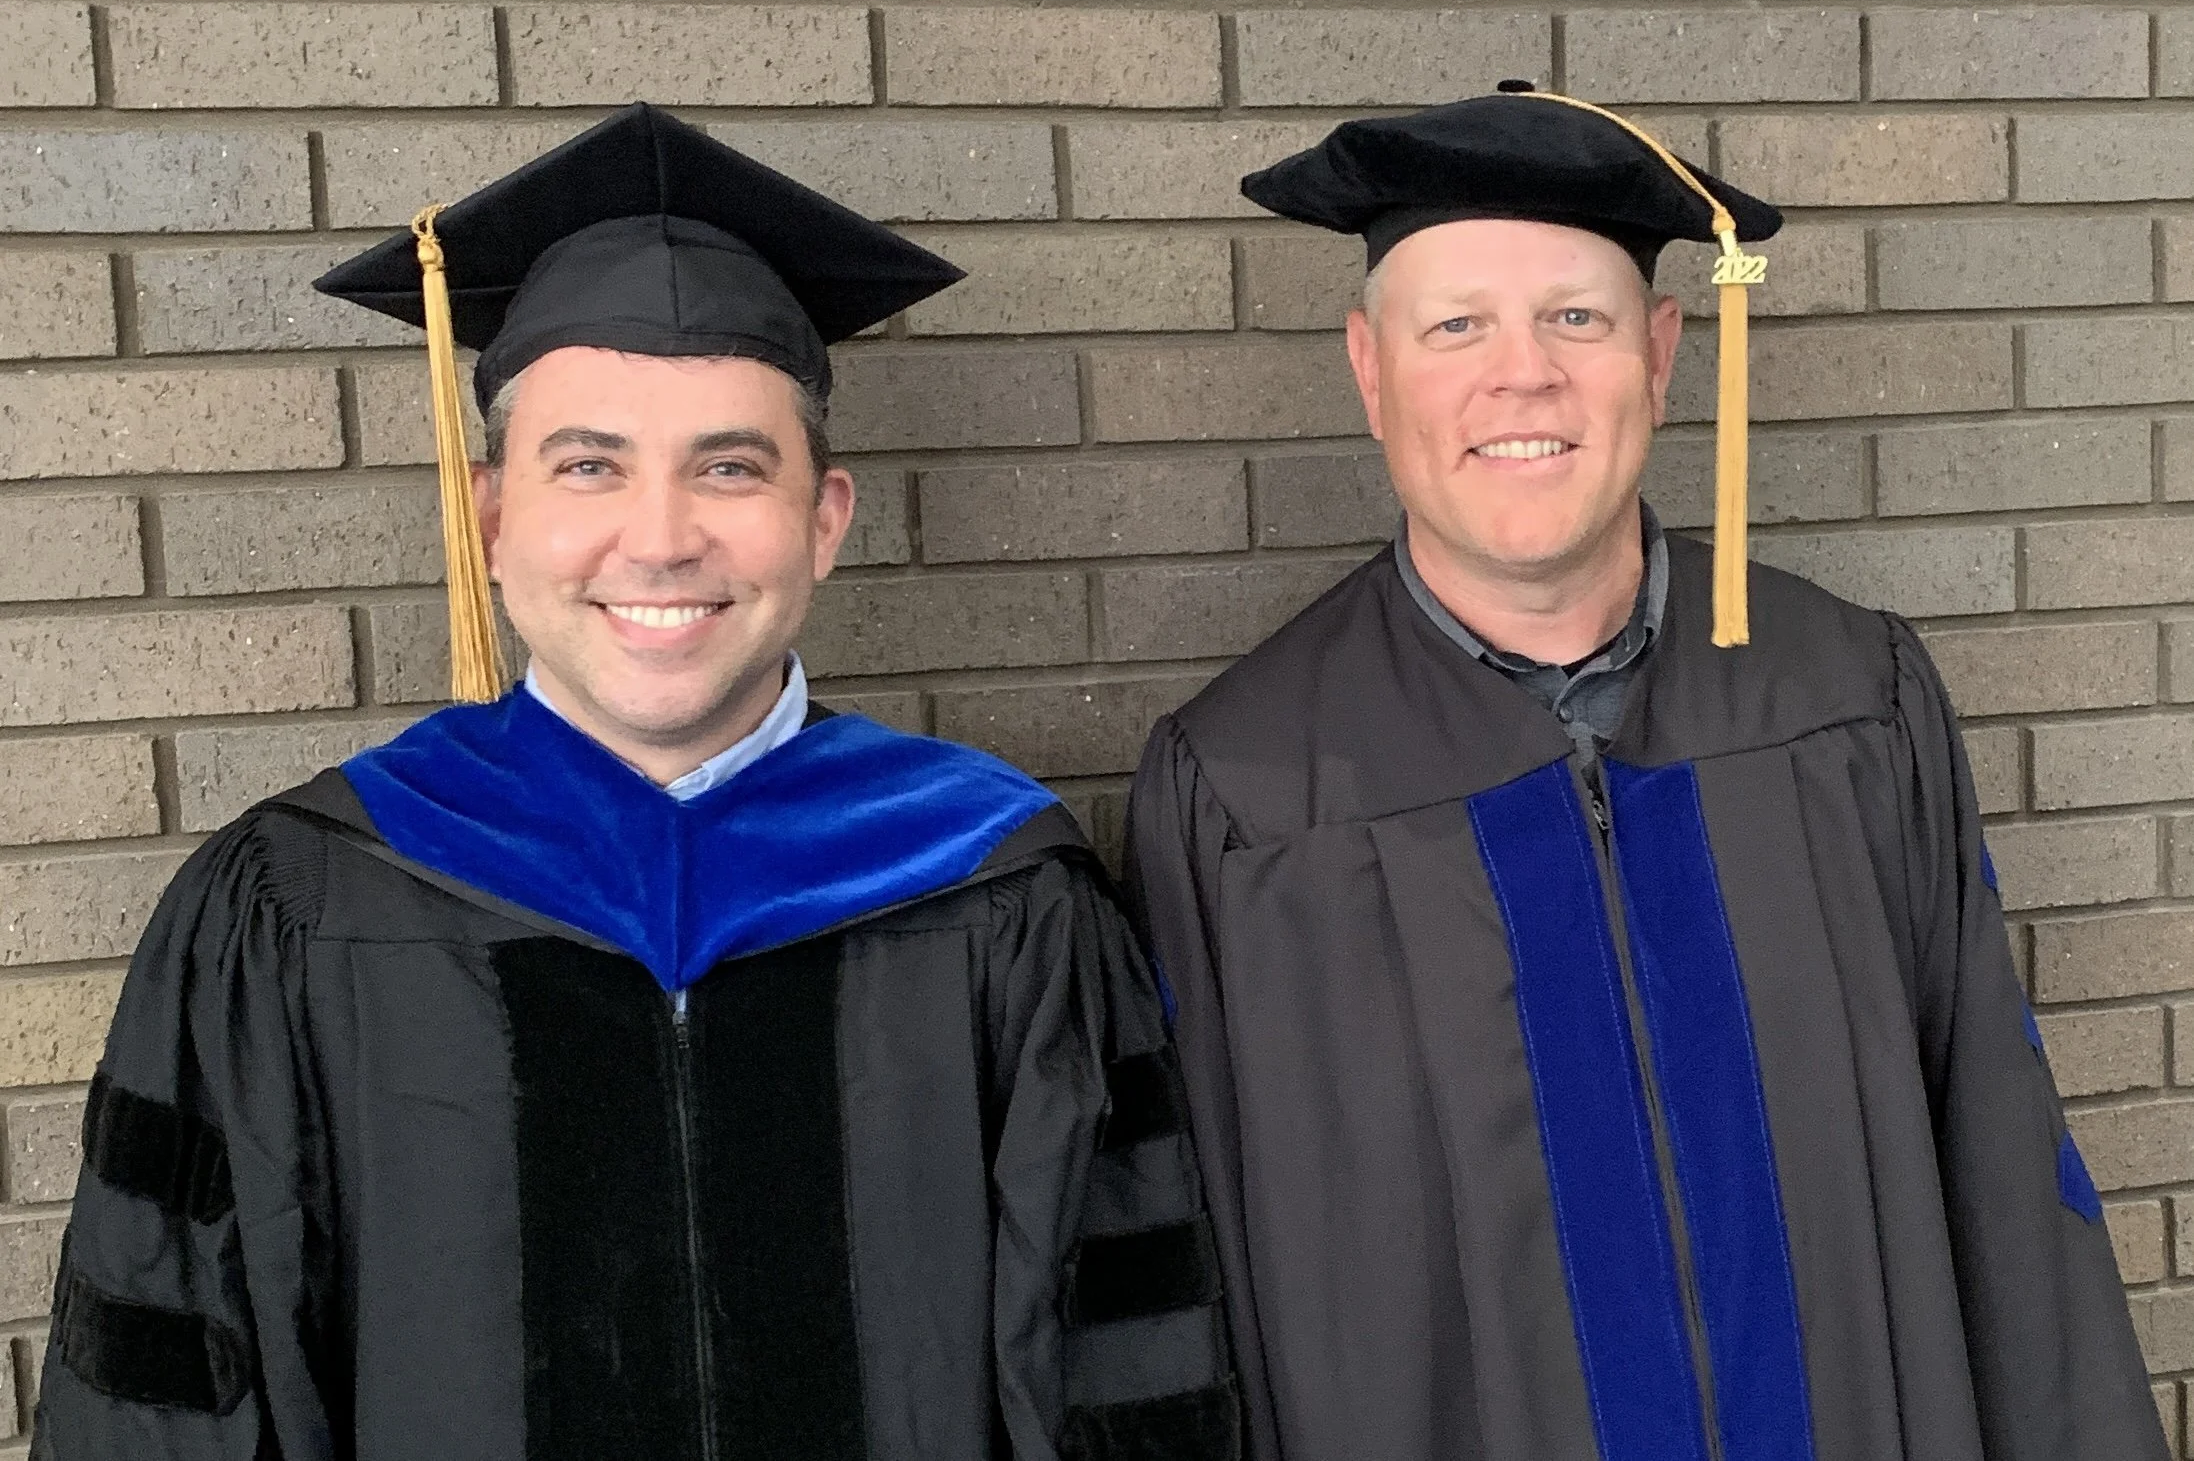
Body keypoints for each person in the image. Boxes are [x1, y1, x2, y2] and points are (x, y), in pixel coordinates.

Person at [34, 104, 1237, 1461]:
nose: (659, 539)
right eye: (589, 466)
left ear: (824, 520)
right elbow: (173, 1388)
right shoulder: (297, 910)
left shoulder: (1001, 893)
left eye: (728, 467)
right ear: (492, 518)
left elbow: (1120, 1369)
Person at [1122, 83, 2163, 1461]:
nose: (1522, 376)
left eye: (1575, 318)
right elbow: (1216, 1293)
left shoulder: (1851, 702)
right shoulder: (1246, 793)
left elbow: (1999, 1170)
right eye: (1455, 326)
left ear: (1661, 354)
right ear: (1370, 372)